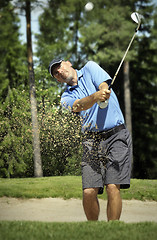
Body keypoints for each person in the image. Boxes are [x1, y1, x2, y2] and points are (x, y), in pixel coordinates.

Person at [48, 59, 132, 221]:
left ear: (68, 63)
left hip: (116, 135)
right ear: (58, 80)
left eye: (59, 67)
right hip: (91, 141)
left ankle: (112, 232)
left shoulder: (90, 67)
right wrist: (94, 97)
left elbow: (103, 84)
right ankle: (93, 232)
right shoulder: (66, 97)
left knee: (113, 187)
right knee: (88, 191)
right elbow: (78, 105)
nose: (59, 72)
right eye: (55, 74)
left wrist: (103, 91)